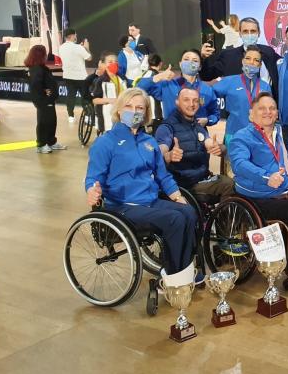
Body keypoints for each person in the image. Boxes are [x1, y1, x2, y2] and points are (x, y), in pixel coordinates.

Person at [85, 88, 197, 276]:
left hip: (149, 201)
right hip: (122, 206)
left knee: (188, 211)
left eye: (140, 108)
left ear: (146, 113)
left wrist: (177, 197)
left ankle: (183, 270)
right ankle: (173, 276)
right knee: (175, 219)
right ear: (119, 110)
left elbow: (163, 175)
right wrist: (91, 191)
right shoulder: (106, 142)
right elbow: (93, 177)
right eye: (129, 106)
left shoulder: (149, 142)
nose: (134, 111)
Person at [229, 92, 288, 276]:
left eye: (271, 108)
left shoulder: (277, 133)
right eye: (262, 108)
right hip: (255, 194)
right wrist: (265, 177)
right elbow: (240, 164)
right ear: (251, 113)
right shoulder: (242, 136)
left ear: (277, 113)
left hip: (279, 190)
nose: (267, 112)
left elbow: (280, 163)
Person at [155, 87, 234, 197]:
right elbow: (160, 152)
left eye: (195, 100)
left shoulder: (198, 126)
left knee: (233, 183)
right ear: (177, 102)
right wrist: (169, 156)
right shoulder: (167, 127)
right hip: (183, 186)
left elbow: (211, 144)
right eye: (186, 100)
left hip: (203, 178)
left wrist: (220, 149)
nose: (191, 104)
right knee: (228, 185)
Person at [137, 49, 219, 127]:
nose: (190, 62)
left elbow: (215, 114)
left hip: (198, 136)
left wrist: (208, 120)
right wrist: (158, 77)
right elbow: (139, 89)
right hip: (172, 135)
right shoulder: (167, 85)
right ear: (180, 64)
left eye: (195, 61)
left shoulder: (207, 90)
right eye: (186, 59)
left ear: (200, 67)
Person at [200, 17, 280, 94]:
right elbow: (207, 76)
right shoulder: (228, 56)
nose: (249, 34)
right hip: (238, 105)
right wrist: (203, 58)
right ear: (240, 34)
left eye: (253, 31)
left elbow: (284, 64)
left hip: (266, 104)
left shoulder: (268, 52)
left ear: (259, 33)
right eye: (245, 31)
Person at [211, 46, 272, 145]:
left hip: (258, 137)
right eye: (248, 58)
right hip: (234, 135)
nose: (251, 62)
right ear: (242, 61)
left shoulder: (265, 87)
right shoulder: (229, 81)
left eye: (256, 60)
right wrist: (210, 117)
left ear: (260, 64)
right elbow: (208, 95)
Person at [26, 45, 65, 153]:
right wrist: (44, 92)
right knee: (44, 122)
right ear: (40, 55)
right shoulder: (36, 69)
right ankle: (41, 144)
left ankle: (51, 141)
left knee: (52, 121)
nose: (47, 54)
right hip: (43, 100)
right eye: (45, 52)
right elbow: (34, 85)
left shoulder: (42, 68)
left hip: (49, 99)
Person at [59, 28, 92, 123]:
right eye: (75, 35)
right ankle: (87, 116)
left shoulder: (61, 47)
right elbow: (89, 58)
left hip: (68, 75)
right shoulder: (78, 48)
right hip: (80, 77)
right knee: (85, 97)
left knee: (71, 96)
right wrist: (86, 48)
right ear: (72, 36)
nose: (76, 36)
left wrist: (81, 48)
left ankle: (70, 116)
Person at [90, 51, 128, 133]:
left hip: (122, 114)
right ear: (103, 64)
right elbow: (95, 100)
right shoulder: (101, 80)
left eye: (116, 62)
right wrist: (109, 100)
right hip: (107, 115)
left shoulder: (122, 78)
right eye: (110, 62)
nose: (114, 64)